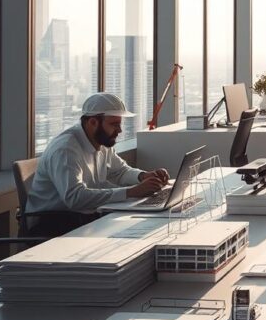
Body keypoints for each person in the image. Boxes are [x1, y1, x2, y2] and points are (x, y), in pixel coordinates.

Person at [25, 92, 169, 236]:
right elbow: (75, 198)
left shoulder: (101, 141)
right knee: (127, 234)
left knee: (136, 228)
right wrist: (132, 192)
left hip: (83, 216)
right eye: (114, 124)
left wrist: (143, 177)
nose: (119, 130)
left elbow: (120, 171)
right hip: (51, 224)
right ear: (93, 122)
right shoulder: (66, 149)